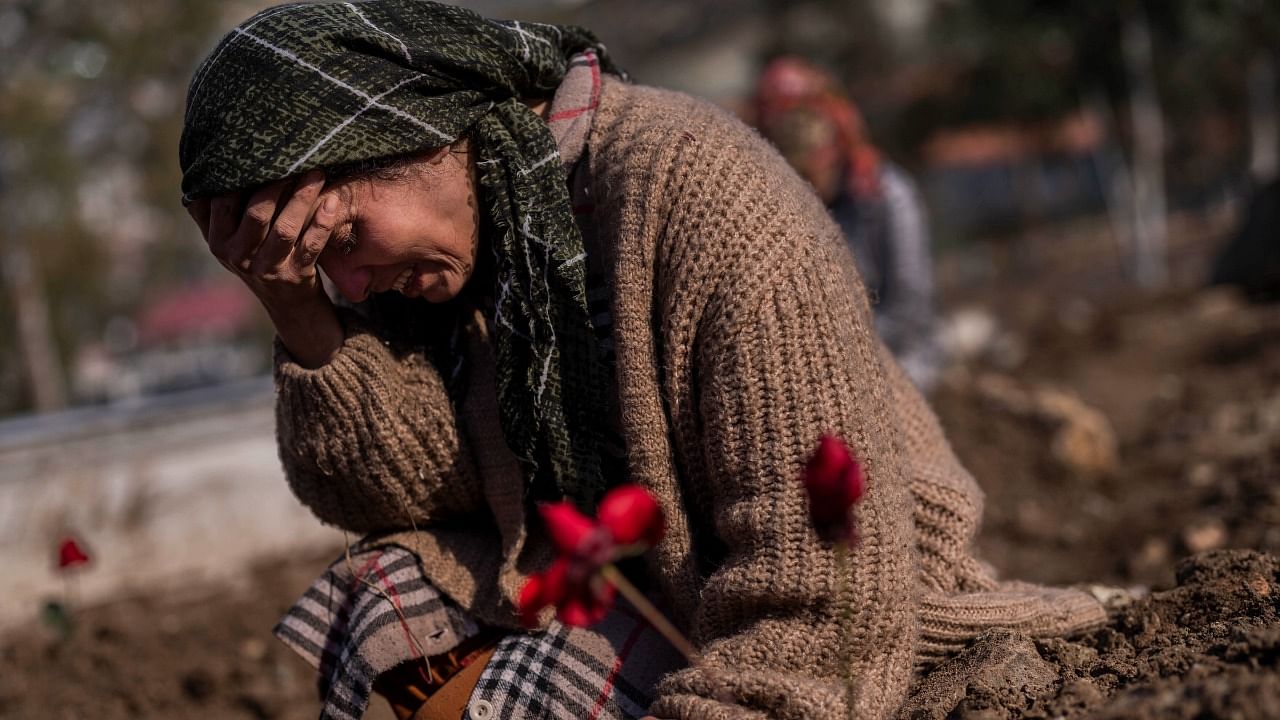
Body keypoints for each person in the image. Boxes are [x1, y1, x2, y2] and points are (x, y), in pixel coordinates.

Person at [180, 3, 1105, 719]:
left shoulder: (701, 196)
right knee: (382, 598)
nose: (353, 276)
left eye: (344, 235)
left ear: (416, 132)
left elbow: (826, 595)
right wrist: (296, 306)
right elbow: (404, 493)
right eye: (319, 263)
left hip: (851, 616)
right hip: (665, 590)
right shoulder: (480, 242)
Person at [754, 57, 943, 391]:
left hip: (902, 371)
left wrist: (833, 351)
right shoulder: (786, 213)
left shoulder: (887, 196)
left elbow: (908, 308)